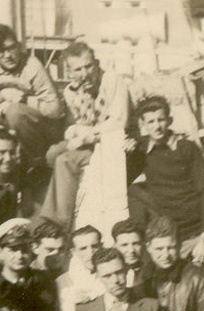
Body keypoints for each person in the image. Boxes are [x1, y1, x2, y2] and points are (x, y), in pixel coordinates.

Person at [47, 41, 132, 226]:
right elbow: (71, 125)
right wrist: (77, 132)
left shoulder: (112, 80)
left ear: (96, 63)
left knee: (64, 161)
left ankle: (62, 223)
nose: (85, 74)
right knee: (51, 154)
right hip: (90, 143)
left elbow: (119, 121)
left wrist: (86, 134)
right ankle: (46, 218)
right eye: (78, 70)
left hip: (113, 143)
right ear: (69, 72)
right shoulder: (71, 91)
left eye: (88, 67)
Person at [126, 95, 204, 249]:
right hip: (167, 233)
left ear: (170, 120)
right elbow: (124, 182)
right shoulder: (141, 151)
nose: (157, 126)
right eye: (151, 121)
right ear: (143, 125)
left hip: (196, 231)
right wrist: (130, 155)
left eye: (161, 120)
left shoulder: (186, 148)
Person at [0, 24, 63, 165]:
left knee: (15, 111)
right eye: (1, 51)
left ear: (19, 46)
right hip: (11, 126)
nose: (8, 55)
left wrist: (23, 99)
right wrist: (3, 95)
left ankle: (35, 163)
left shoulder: (33, 66)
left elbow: (56, 110)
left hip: (47, 131)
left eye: (11, 48)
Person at [55, 225, 105, 311]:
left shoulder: (114, 276)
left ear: (101, 246)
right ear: (73, 252)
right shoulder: (63, 282)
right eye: (83, 248)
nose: (91, 252)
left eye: (95, 246)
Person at [111, 219, 146, 288]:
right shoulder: (109, 275)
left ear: (143, 245)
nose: (131, 250)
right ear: (115, 246)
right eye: (124, 245)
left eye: (136, 244)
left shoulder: (152, 273)